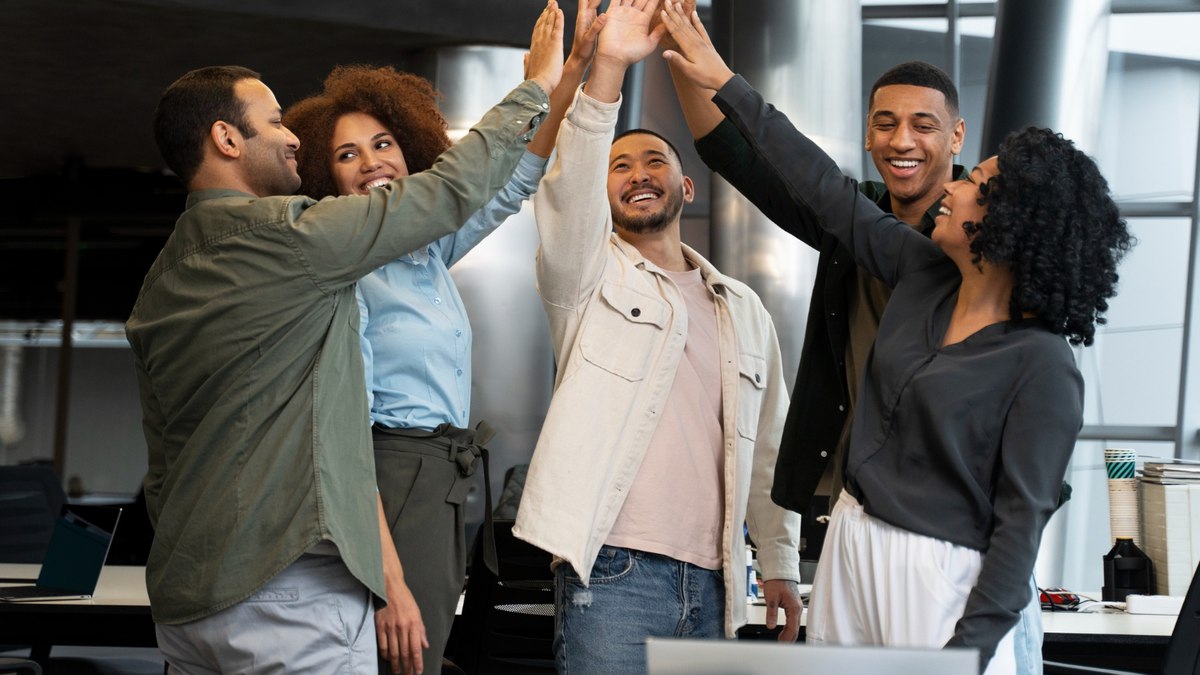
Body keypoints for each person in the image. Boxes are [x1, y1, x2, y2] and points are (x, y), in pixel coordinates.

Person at [658, 3, 1134, 672]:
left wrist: (967, 653)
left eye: (978, 185)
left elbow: (1018, 530)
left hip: (939, 578)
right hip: (853, 546)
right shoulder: (921, 270)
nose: (959, 188)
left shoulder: (1043, 363)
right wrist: (724, 80)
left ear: (1008, 225)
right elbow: (821, 186)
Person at [125, 5, 563, 673]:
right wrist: (534, 85)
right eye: (274, 121)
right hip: (286, 591)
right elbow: (447, 192)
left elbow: (163, 461)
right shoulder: (296, 239)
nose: (290, 137)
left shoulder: (163, 277)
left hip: (193, 599)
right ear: (226, 138)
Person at [281, 3, 602, 672]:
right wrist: (388, 580)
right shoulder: (345, 267)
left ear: (409, 147)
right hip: (383, 476)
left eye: (382, 144)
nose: (372, 162)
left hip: (438, 481)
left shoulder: (421, 250)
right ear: (325, 174)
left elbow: (513, 177)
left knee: (415, 659)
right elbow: (340, 439)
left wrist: (570, 73)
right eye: (347, 154)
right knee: (398, 657)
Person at [512, 1, 802, 673]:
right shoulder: (585, 276)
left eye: (653, 161)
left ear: (687, 184)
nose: (638, 173)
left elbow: (770, 451)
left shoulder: (744, 309)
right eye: (621, 167)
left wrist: (779, 561)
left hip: (717, 584)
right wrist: (605, 68)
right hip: (613, 571)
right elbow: (566, 192)